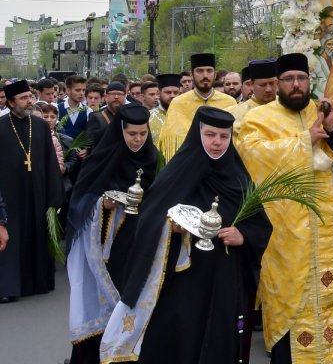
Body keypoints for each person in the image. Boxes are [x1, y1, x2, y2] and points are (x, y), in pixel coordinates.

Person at [99, 107, 272, 364]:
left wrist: (242, 235)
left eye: (224, 137)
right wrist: (172, 227)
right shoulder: (178, 171)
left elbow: (261, 225)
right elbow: (148, 220)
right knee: (182, 340)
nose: (217, 142)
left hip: (225, 276)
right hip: (184, 281)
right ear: (197, 134)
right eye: (210, 134)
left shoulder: (239, 177)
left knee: (220, 338)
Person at [237, 53, 333, 364]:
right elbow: (252, 156)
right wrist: (304, 139)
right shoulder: (259, 119)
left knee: (332, 307)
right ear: (277, 85)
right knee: (290, 304)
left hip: (328, 235)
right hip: (285, 236)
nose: (296, 85)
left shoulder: (325, 112)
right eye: (288, 80)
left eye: (301, 78)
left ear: (309, 81)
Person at [66, 104, 157, 364]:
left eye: (142, 133)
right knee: (110, 306)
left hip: (140, 245)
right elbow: (81, 199)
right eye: (132, 134)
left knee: (137, 306)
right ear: (121, 132)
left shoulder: (152, 157)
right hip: (108, 248)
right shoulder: (102, 157)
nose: (138, 140)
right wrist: (102, 205)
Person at [0, 80, 64, 302]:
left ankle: (36, 282)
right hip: (10, 193)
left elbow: (50, 161)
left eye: (29, 96)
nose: (29, 102)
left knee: (36, 233)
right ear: (10, 102)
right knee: (13, 238)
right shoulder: (0, 126)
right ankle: (8, 287)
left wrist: (54, 194)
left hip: (36, 191)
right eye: (23, 98)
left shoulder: (38, 126)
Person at [157, 54, 237, 160]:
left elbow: (236, 138)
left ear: (215, 74)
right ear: (191, 74)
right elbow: (170, 140)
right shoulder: (178, 103)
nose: (205, 75)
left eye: (209, 71)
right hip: (187, 162)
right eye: (200, 71)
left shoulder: (229, 102)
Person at [230, 59, 276, 137]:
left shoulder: (287, 106)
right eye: (263, 85)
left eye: (272, 84)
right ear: (252, 84)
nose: (268, 89)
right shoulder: (238, 113)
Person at [84, 83, 129, 152]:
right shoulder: (96, 117)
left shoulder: (130, 117)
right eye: (113, 94)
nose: (116, 97)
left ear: (125, 96)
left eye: (120, 94)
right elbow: (90, 144)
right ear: (106, 97)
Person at [147, 74, 181, 144]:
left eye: (175, 92)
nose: (172, 96)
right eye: (168, 92)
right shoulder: (148, 117)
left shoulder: (186, 116)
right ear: (159, 94)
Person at [58, 74, 91, 143]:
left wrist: (87, 150)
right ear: (68, 91)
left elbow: (90, 136)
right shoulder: (57, 108)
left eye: (83, 90)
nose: (82, 93)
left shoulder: (88, 111)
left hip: (80, 152)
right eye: (78, 90)